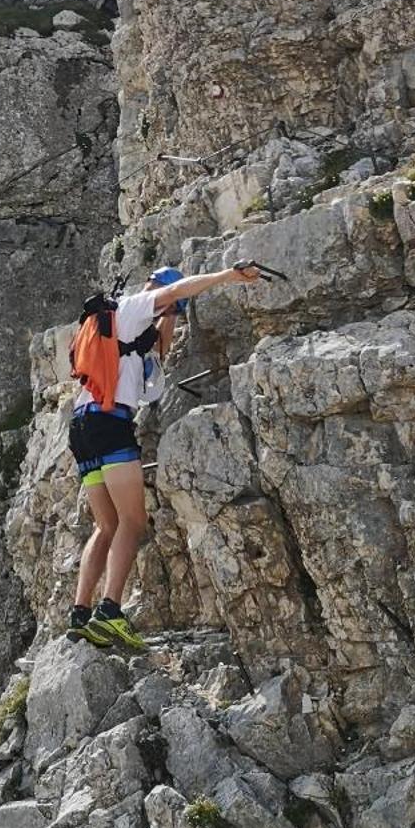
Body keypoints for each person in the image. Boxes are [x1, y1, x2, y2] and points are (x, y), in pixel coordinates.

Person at [65, 261, 263, 652]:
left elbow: (155, 371)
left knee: (106, 526)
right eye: (170, 303)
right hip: (110, 424)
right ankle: (110, 611)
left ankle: (80, 613)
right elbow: (172, 294)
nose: (170, 308)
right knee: (133, 521)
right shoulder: (135, 306)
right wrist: (226, 277)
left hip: (82, 429)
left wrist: (167, 321)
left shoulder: (125, 330)